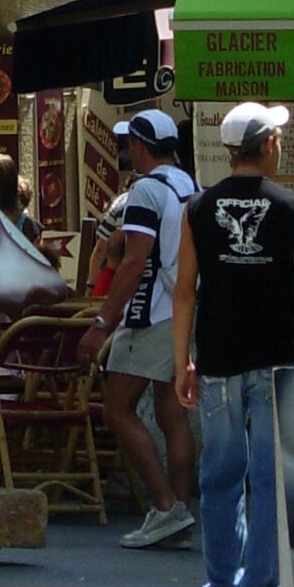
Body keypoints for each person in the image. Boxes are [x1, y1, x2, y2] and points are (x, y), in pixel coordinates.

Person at [173, 101, 294, 587]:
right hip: (276, 360)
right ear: (264, 146)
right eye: (278, 138)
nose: (280, 146)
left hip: (216, 359)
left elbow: (184, 290)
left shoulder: (197, 208)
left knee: (219, 479)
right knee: (267, 481)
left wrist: (181, 362)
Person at [79, 110, 199, 549]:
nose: (128, 149)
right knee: (172, 413)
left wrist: (101, 323)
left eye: (131, 142)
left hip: (151, 312)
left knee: (116, 408)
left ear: (143, 147)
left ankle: (165, 507)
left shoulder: (146, 191)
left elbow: (133, 262)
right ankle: (178, 510)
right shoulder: (188, 185)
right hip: (184, 309)